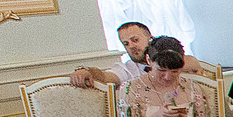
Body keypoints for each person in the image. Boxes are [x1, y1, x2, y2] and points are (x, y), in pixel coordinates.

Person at [70, 20, 206, 98]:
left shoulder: (177, 59)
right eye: (126, 44)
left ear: (150, 38)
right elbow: (106, 77)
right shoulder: (127, 69)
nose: (131, 46)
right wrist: (86, 70)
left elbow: (192, 63)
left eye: (135, 40)